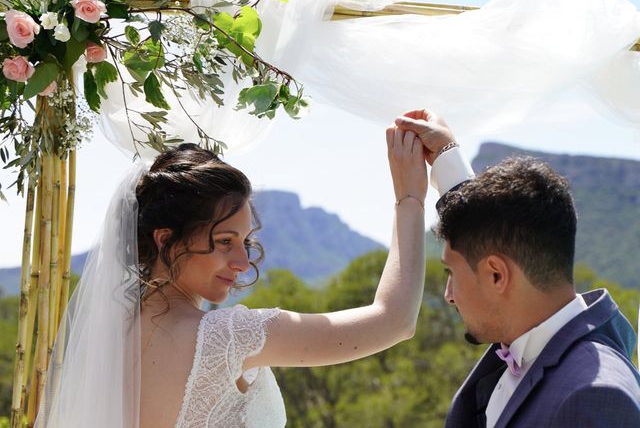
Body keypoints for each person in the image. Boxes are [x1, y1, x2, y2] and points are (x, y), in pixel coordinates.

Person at [35, 118, 455, 427]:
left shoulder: (99, 344)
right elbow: (394, 321)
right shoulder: (228, 338)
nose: (241, 261)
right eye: (223, 242)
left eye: (245, 241)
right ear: (164, 239)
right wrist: (410, 199)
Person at [397, 110, 640, 428]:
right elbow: (489, 233)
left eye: (451, 274)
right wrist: (446, 158)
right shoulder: (527, 335)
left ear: (497, 275)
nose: (449, 295)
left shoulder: (595, 398)